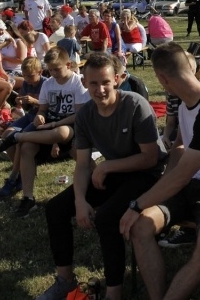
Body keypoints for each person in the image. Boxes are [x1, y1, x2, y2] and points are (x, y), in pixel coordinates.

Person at [35, 53, 166, 300]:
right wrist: (80, 201)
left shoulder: (135, 105)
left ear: (117, 79)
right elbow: (83, 165)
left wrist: (106, 167)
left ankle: (114, 291)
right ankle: (65, 279)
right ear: (84, 83)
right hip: (116, 172)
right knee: (55, 209)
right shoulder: (85, 115)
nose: (100, 89)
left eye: (105, 82)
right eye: (93, 83)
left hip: (148, 176)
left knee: (106, 217)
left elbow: (150, 158)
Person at [119, 43, 200, 300]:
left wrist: (137, 204)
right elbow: (179, 148)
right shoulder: (187, 102)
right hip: (189, 186)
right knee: (141, 228)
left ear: (162, 79)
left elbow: (183, 174)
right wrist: (158, 194)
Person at [0, 47, 89, 217]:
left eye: (57, 69)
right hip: (47, 125)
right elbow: (43, 109)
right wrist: (40, 116)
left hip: (68, 125)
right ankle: (28, 197)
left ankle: (17, 136)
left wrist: (55, 123)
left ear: (68, 64)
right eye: (51, 70)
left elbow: (78, 115)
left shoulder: (77, 82)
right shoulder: (48, 83)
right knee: (26, 149)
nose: (53, 73)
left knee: (60, 133)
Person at [0, 57, 48, 199]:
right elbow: (25, 107)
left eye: (31, 76)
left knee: (17, 140)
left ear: (39, 72)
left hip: (41, 118)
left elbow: (48, 106)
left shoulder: (46, 83)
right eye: (25, 76)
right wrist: (20, 102)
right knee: (7, 135)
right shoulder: (26, 83)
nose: (28, 80)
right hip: (30, 116)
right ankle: (22, 172)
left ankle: (14, 177)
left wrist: (35, 101)